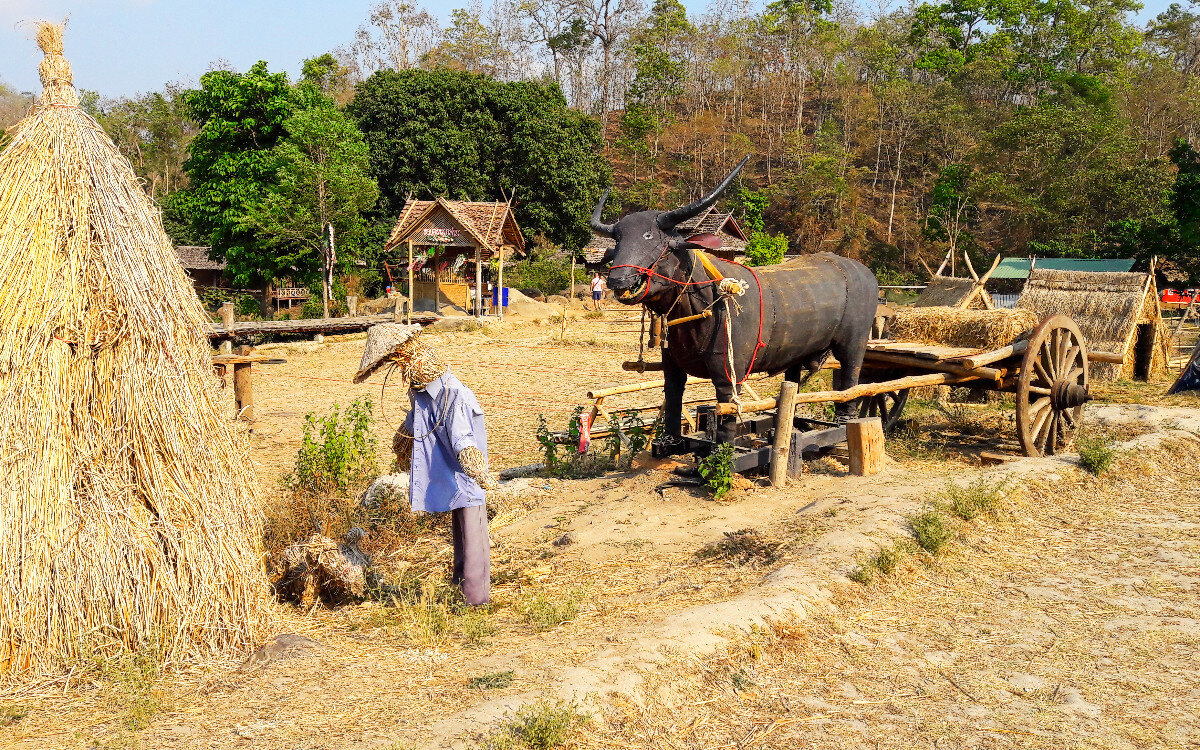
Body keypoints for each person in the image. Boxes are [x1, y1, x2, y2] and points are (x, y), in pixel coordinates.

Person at [353, 323, 496, 606]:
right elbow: (414, 426)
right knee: (461, 533)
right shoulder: (422, 393)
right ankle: (461, 590)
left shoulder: (452, 394)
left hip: (466, 475)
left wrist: (480, 473)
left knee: (473, 533)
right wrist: (403, 447)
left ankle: (476, 601)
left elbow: (463, 439)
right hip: (448, 471)